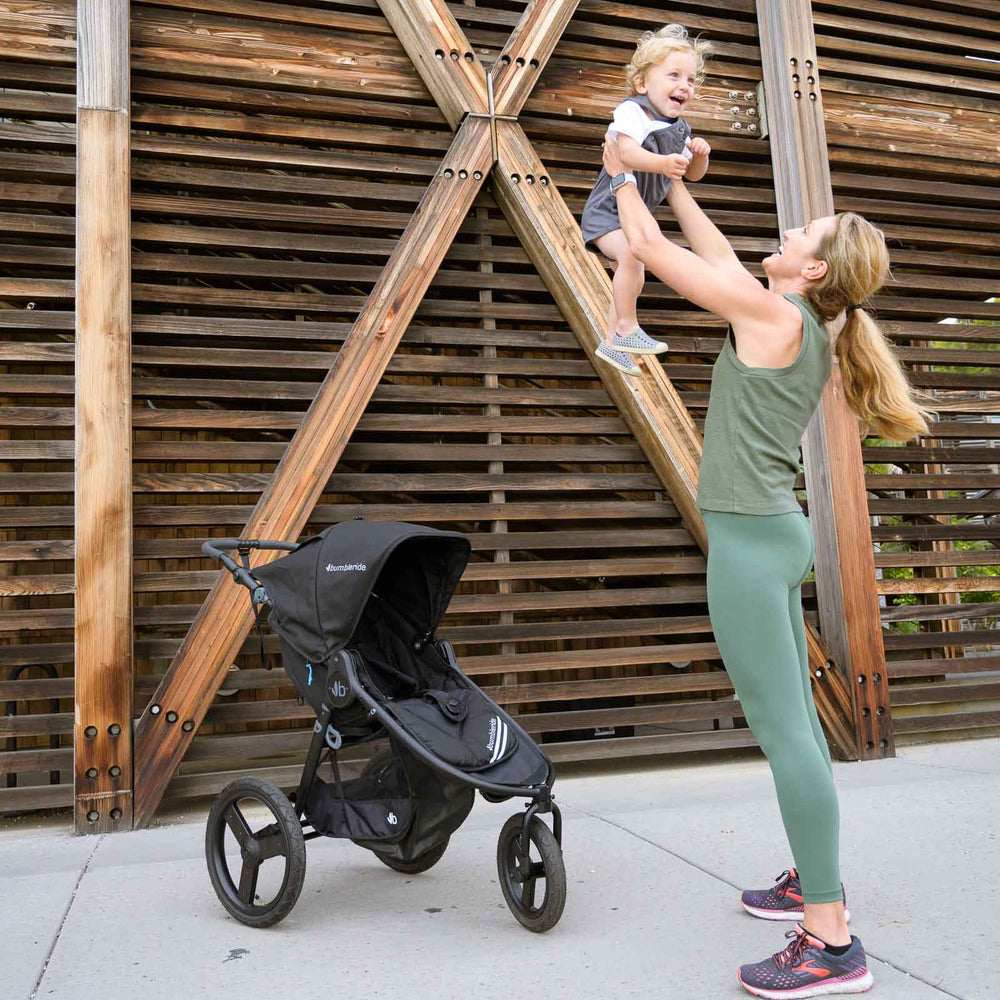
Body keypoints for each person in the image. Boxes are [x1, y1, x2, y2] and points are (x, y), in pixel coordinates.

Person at [600, 131, 932, 998]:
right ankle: (808, 882)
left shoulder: (775, 316)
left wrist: (623, 170)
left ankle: (830, 939)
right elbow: (700, 244)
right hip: (770, 534)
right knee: (796, 729)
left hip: (750, 547)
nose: (786, 232)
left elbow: (646, 252)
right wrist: (670, 181)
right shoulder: (788, 313)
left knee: (785, 733)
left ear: (812, 271)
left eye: (802, 234)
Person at [580, 24, 713, 376]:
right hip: (607, 212)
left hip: (631, 217)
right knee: (633, 257)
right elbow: (627, 153)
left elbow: (693, 174)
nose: (685, 85)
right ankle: (626, 327)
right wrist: (662, 163)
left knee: (629, 274)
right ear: (642, 83)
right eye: (674, 75)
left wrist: (699, 154)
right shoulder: (632, 113)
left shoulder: (678, 128)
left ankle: (612, 343)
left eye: (691, 79)